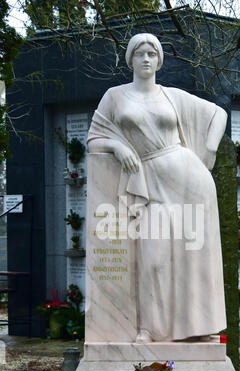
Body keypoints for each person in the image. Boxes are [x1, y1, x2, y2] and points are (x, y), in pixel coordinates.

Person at [87, 33, 227, 343]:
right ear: (131, 59)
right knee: (152, 259)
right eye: (140, 53)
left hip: (190, 179)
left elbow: (218, 114)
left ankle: (200, 328)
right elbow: (93, 138)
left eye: (152, 53)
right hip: (148, 180)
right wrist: (116, 146)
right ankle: (149, 328)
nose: (147, 58)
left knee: (194, 256)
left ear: (159, 60)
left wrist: (210, 151)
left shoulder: (171, 95)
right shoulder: (115, 96)